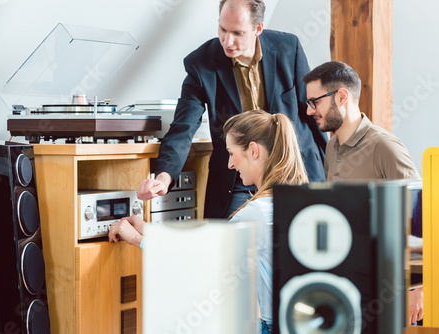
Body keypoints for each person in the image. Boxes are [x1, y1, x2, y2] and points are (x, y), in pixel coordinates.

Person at [110, 109, 309, 333]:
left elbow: (199, 268)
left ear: (253, 151)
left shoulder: (256, 214)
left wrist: (137, 239)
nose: (230, 165)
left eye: (232, 153)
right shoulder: (296, 200)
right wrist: (149, 230)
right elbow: (203, 250)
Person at [136, 0, 326, 219]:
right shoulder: (201, 63)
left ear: (258, 29)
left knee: (297, 243)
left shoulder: (288, 48)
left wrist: (329, 165)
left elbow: (312, 109)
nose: (227, 41)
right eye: (223, 29)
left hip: (292, 168)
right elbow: (183, 127)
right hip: (237, 176)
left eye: (237, 33)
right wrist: (163, 178)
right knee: (226, 243)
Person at [302, 60, 422, 324]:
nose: (310, 111)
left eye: (315, 102)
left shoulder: (385, 147)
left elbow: (422, 217)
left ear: (341, 96)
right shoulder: (332, 147)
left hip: (389, 289)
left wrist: (417, 288)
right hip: (350, 283)